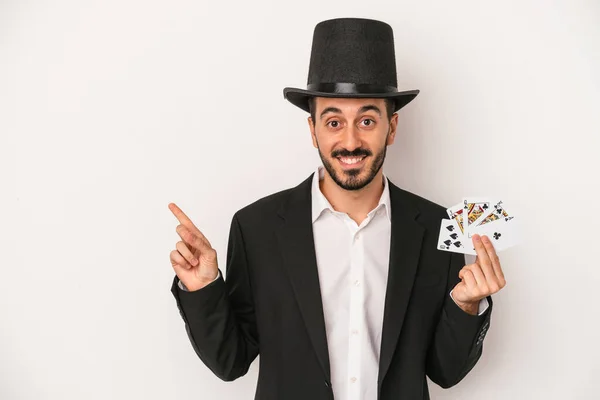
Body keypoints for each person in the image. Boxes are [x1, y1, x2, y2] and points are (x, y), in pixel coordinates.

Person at [168, 17, 505, 400]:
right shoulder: (256, 227)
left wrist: (467, 306)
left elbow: (444, 373)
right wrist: (202, 289)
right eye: (333, 121)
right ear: (313, 130)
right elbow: (231, 362)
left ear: (391, 128)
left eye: (366, 120)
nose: (350, 141)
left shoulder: (436, 226)